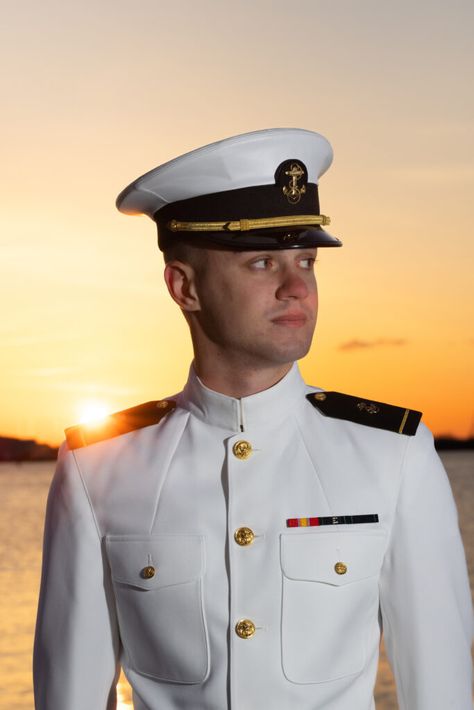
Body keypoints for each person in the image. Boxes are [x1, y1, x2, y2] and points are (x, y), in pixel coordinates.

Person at [34, 128, 473, 709]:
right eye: (264, 261)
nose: (298, 288)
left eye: (308, 261)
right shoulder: (97, 469)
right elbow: (70, 695)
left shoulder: (394, 451)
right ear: (183, 286)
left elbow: (441, 689)